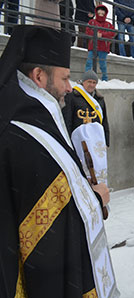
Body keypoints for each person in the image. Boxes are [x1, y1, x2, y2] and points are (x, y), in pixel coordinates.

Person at [0, 25, 118, 297]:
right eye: (65, 78)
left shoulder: (35, 117)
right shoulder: (20, 133)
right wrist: (96, 199)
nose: (69, 87)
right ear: (39, 76)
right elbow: (48, 221)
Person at [63, 69, 110, 145]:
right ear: (83, 82)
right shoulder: (72, 96)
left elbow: (104, 122)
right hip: (78, 139)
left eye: (94, 82)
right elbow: (67, 120)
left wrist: (106, 141)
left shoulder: (99, 99)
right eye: (89, 82)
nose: (91, 85)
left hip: (95, 139)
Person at [85, 4, 116, 81]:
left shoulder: (109, 24)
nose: (101, 14)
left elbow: (112, 33)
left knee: (103, 65)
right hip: (92, 46)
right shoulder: (91, 22)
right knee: (89, 63)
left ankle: (105, 79)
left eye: (103, 13)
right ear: (96, 12)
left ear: (105, 13)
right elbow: (88, 31)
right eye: (99, 12)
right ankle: (86, 78)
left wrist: (102, 35)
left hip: (103, 48)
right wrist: (96, 34)